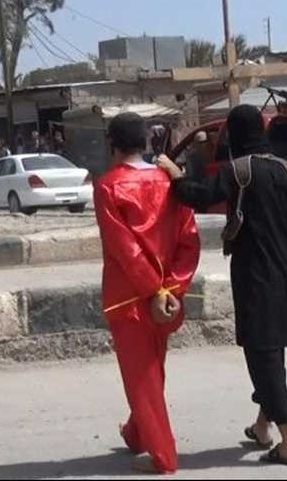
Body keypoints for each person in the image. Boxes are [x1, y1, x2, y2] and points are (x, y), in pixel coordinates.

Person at [158, 104, 287, 466]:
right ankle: (262, 428)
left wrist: (174, 174)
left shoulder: (238, 170)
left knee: (262, 355)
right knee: (272, 352)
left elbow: (198, 196)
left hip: (256, 277)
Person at [93, 112, 200, 474]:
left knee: (141, 378)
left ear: (112, 144)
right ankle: (136, 433)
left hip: (131, 295)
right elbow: (188, 239)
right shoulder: (168, 180)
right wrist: (172, 287)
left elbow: (124, 248)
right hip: (166, 294)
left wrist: (154, 290)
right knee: (153, 369)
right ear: (145, 142)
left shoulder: (108, 186)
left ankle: (163, 455)